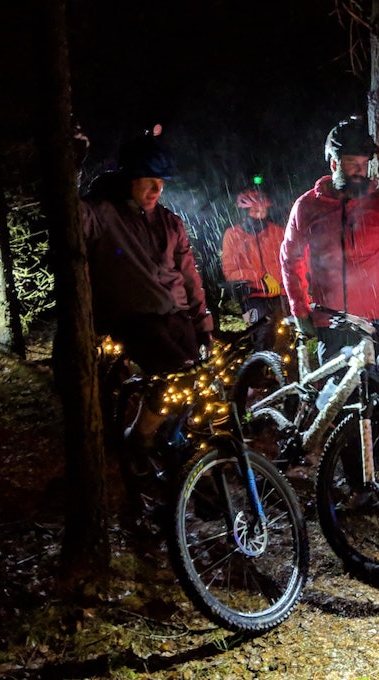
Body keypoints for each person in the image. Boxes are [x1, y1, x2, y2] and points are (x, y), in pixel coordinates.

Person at [80, 125, 214, 470]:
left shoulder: (169, 222)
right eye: (149, 180)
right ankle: (138, 440)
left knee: (201, 380)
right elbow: (69, 218)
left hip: (176, 315)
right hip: (134, 318)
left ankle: (170, 439)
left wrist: (203, 325)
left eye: (162, 182)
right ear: (130, 178)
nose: (157, 189)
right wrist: (73, 165)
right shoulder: (103, 214)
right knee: (177, 377)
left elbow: (189, 276)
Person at [280, 115, 379, 401]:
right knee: (340, 410)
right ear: (334, 164)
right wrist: (300, 311)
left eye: (363, 165)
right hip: (332, 326)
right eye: (351, 164)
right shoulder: (307, 206)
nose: (360, 171)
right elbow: (290, 260)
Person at [220, 187, 287, 352]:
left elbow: (290, 261)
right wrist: (261, 275)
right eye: (255, 211)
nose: (260, 215)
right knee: (261, 336)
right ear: (244, 213)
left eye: (263, 210)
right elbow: (230, 273)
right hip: (251, 297)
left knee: (284, 339)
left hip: (280, 294)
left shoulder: (277, 232)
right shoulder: (232, 235)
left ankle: (280, 374)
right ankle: (257, 371)